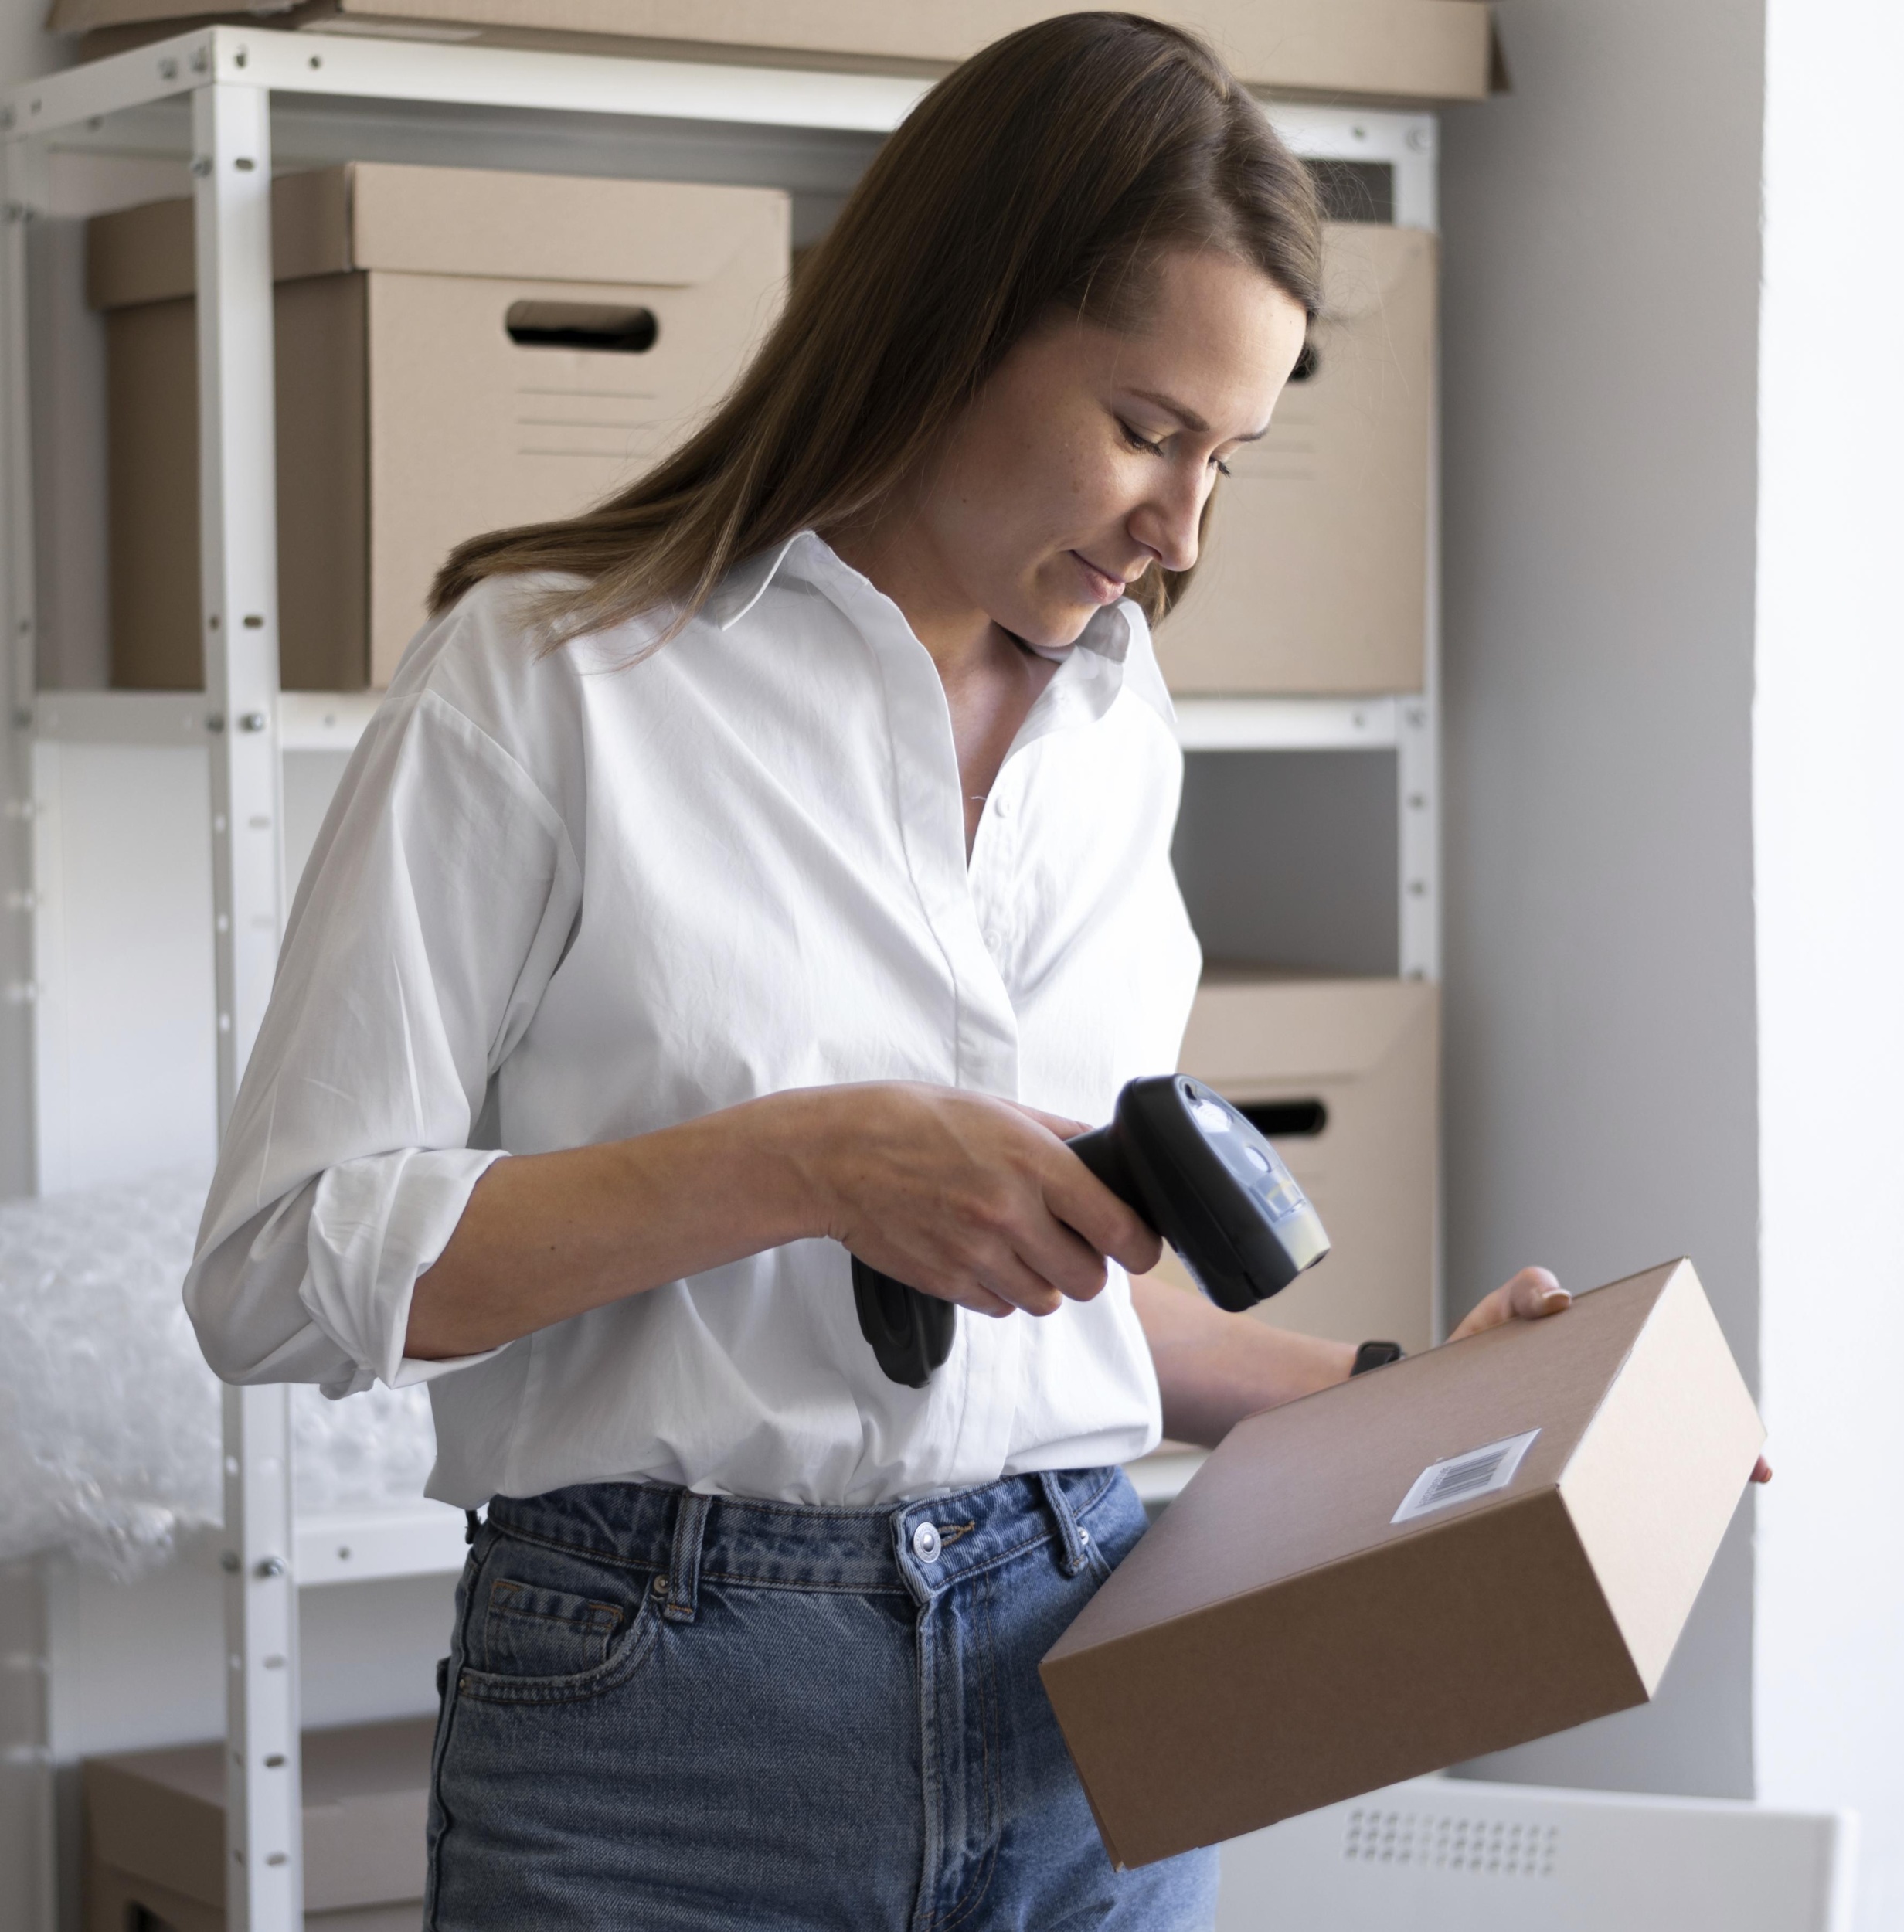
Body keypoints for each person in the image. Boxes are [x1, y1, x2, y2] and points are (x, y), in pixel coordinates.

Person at [184, 15, 1679, 1928]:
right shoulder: (550, 674)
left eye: (1228, 456)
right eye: (1145, 430)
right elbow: (274, 1269)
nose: (1180, 528)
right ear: (950, 320)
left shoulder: (1114, 728)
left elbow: (1065, 1314)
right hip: (658, 1725)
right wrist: (803, 1161)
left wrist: (1402, 1398)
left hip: (1089, 1666)